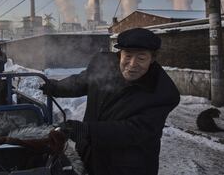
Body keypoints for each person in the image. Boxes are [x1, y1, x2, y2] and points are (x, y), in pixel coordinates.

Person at [40, 28, 180, 175]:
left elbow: (132, 131)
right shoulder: (104, 64)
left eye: (141, 58)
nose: (132, 64)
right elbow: (81, 82)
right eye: (128, 55)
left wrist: (86, 130)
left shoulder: (162, 93)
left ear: (152, 59)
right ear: (120, 54)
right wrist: (54, 87)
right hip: (89, 156)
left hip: (126, 167)